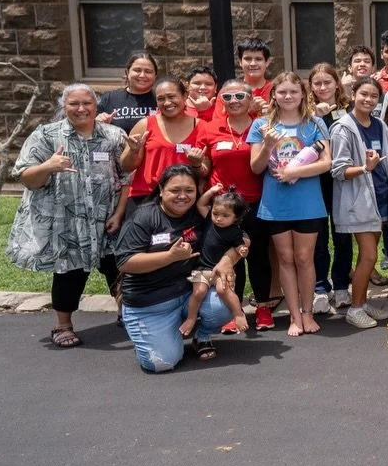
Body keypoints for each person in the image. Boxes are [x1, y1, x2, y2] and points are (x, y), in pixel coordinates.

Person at [8, 83, 129, 348]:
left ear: (96, 106)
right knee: (68, 273)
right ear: (64, 107)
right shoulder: (46, 136)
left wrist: (119, 214)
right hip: (67, 223)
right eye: (74, 103)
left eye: (87, 103)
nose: (81, 108)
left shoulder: (113, 135)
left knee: (120, 269)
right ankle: (62, 326)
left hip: (106, 220)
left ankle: (127, 315)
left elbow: (126, 177)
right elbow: (26, 178)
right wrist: (48, 166)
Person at [115, 165, 237, 371]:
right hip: (150, 304)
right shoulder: (143, 217)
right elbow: (125, 263)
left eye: (189, 191)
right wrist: (170, 257)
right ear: (161, 190)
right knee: (161, 363)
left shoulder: (200, 214)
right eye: (175, 190)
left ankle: (201, 336)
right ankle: (158, 336)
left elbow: (240, 238)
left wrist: (228, 259)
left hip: (189, 294)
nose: (183, 196)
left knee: (224, 304)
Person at [247, 71, 332, 337]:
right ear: (274, 95)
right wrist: (267, 145)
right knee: (285, 258)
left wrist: (294, 172)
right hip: (276, 203)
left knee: (305, 258)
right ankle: (294, 316)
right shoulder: (261, 125)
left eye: (293, 92)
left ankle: (307, 311)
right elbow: (255, 166)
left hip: (307, 202)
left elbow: (326, 163)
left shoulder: (315, 123)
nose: (287, 96)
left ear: (303, 95)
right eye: (282, 92)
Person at [331, 77, 388, 330]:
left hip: (382, 197)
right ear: (353, 93)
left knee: (368, 256)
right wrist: (365, 168)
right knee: (370, 257)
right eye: (363, 94)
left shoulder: (380, 125)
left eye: (373, 96)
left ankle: (362, 301)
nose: (368, 100)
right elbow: (338, 170)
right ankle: (355, 309)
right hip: (359, 201)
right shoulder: (343, 128)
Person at [205, 78, 276, 328]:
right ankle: (234, 311)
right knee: (230, 258)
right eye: (227, 97)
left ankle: (263, 307)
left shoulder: (262, 126)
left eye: (239, 97)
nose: (233, 102)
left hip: (255, 201)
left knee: (257, 256)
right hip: (222, 208)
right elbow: (206, 165)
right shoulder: (211, 128)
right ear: (220, 101)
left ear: (250, 99)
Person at [120, 76, 211, 208]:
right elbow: (125, 166)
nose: (167, 103)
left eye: (171, 97)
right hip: (145, 198)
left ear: (185, 96)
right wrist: (133, 151)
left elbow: (205, 171)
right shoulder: (145, 124)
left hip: (183, 201)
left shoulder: (202, 127)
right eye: (161, 99)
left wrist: (197, 165)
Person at [309, 63, 352, 315]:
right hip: (315, 181)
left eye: (327, 82)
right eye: (318, 83)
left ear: (337, 83)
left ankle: (342, 284)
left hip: (343, 180)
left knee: (342, 235)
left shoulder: (349, 110)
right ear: (311, 87)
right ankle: (320, 287)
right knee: (319, 238)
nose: (323, 87)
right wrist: (316, 115)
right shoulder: (305, 113)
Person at [186, 184, 250, 333]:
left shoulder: (235, 232)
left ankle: (238, 314)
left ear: (236, 217)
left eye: (225, 216)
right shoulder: (209, 220)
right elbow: (201, 204)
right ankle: (191, 318)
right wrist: (211, 192)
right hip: (202, 268)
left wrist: (242, 250)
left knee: (223, 291)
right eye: (215, 213)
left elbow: (240, 246)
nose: (219, 218)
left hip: (221, 272)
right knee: (198, 292)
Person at [209, 37, 275, 127]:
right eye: (248, 59)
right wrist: (246, 111)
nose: (253, 63)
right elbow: (218, 124)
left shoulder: (276, 91)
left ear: (267, 62)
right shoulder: (228, 92)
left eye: (258, 59)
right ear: (240, 62)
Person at [97, 51, 159, 133]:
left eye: (148, 71)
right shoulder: (109, 99)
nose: (142, 75)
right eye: (137, 70)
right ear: (127, 72)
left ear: (155, 75)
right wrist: (97, 123)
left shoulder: (161, 99)